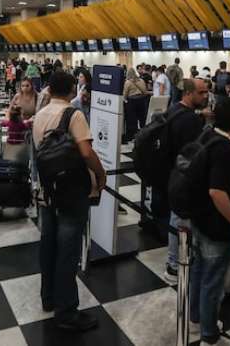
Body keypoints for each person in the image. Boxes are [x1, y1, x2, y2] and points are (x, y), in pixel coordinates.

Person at [32, 70, 107, 331]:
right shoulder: (73, 114)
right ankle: (67, 311)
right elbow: (86, 151)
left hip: (48, 189)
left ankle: (48, 297)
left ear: (49, 90)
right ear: (72, 89)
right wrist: (100, 173)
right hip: (72, 191)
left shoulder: (40, 114)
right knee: (68, 249)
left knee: (48, 244)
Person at [189, 96, 230, 345]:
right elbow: (217, 192)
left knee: (198, 271)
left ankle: (195, 320)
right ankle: (209, 335)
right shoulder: (225, 148)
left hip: (198, 218)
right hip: (215, 224)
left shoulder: (206, 135)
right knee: (213, 282)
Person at [162, 78, 210, 283]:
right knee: (180, 220)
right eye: (201, 93)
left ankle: (175, 260)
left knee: (177, 217)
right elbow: (192, 151)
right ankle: (174, 265)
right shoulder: (189, 120)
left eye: (207, 92)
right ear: (188, 93)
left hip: (171, 173)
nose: (206, 96)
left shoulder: (173, 109)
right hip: (183, 176)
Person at [123, 67, 150, 142]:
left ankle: (132, 136)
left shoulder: (127, 82)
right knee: (142, 119)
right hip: (141, 101)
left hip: (132, 102)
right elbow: (144, 91)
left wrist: (125, 100)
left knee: (132, 120)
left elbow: (125, 94)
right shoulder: (141, 80)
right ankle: (143, 135)